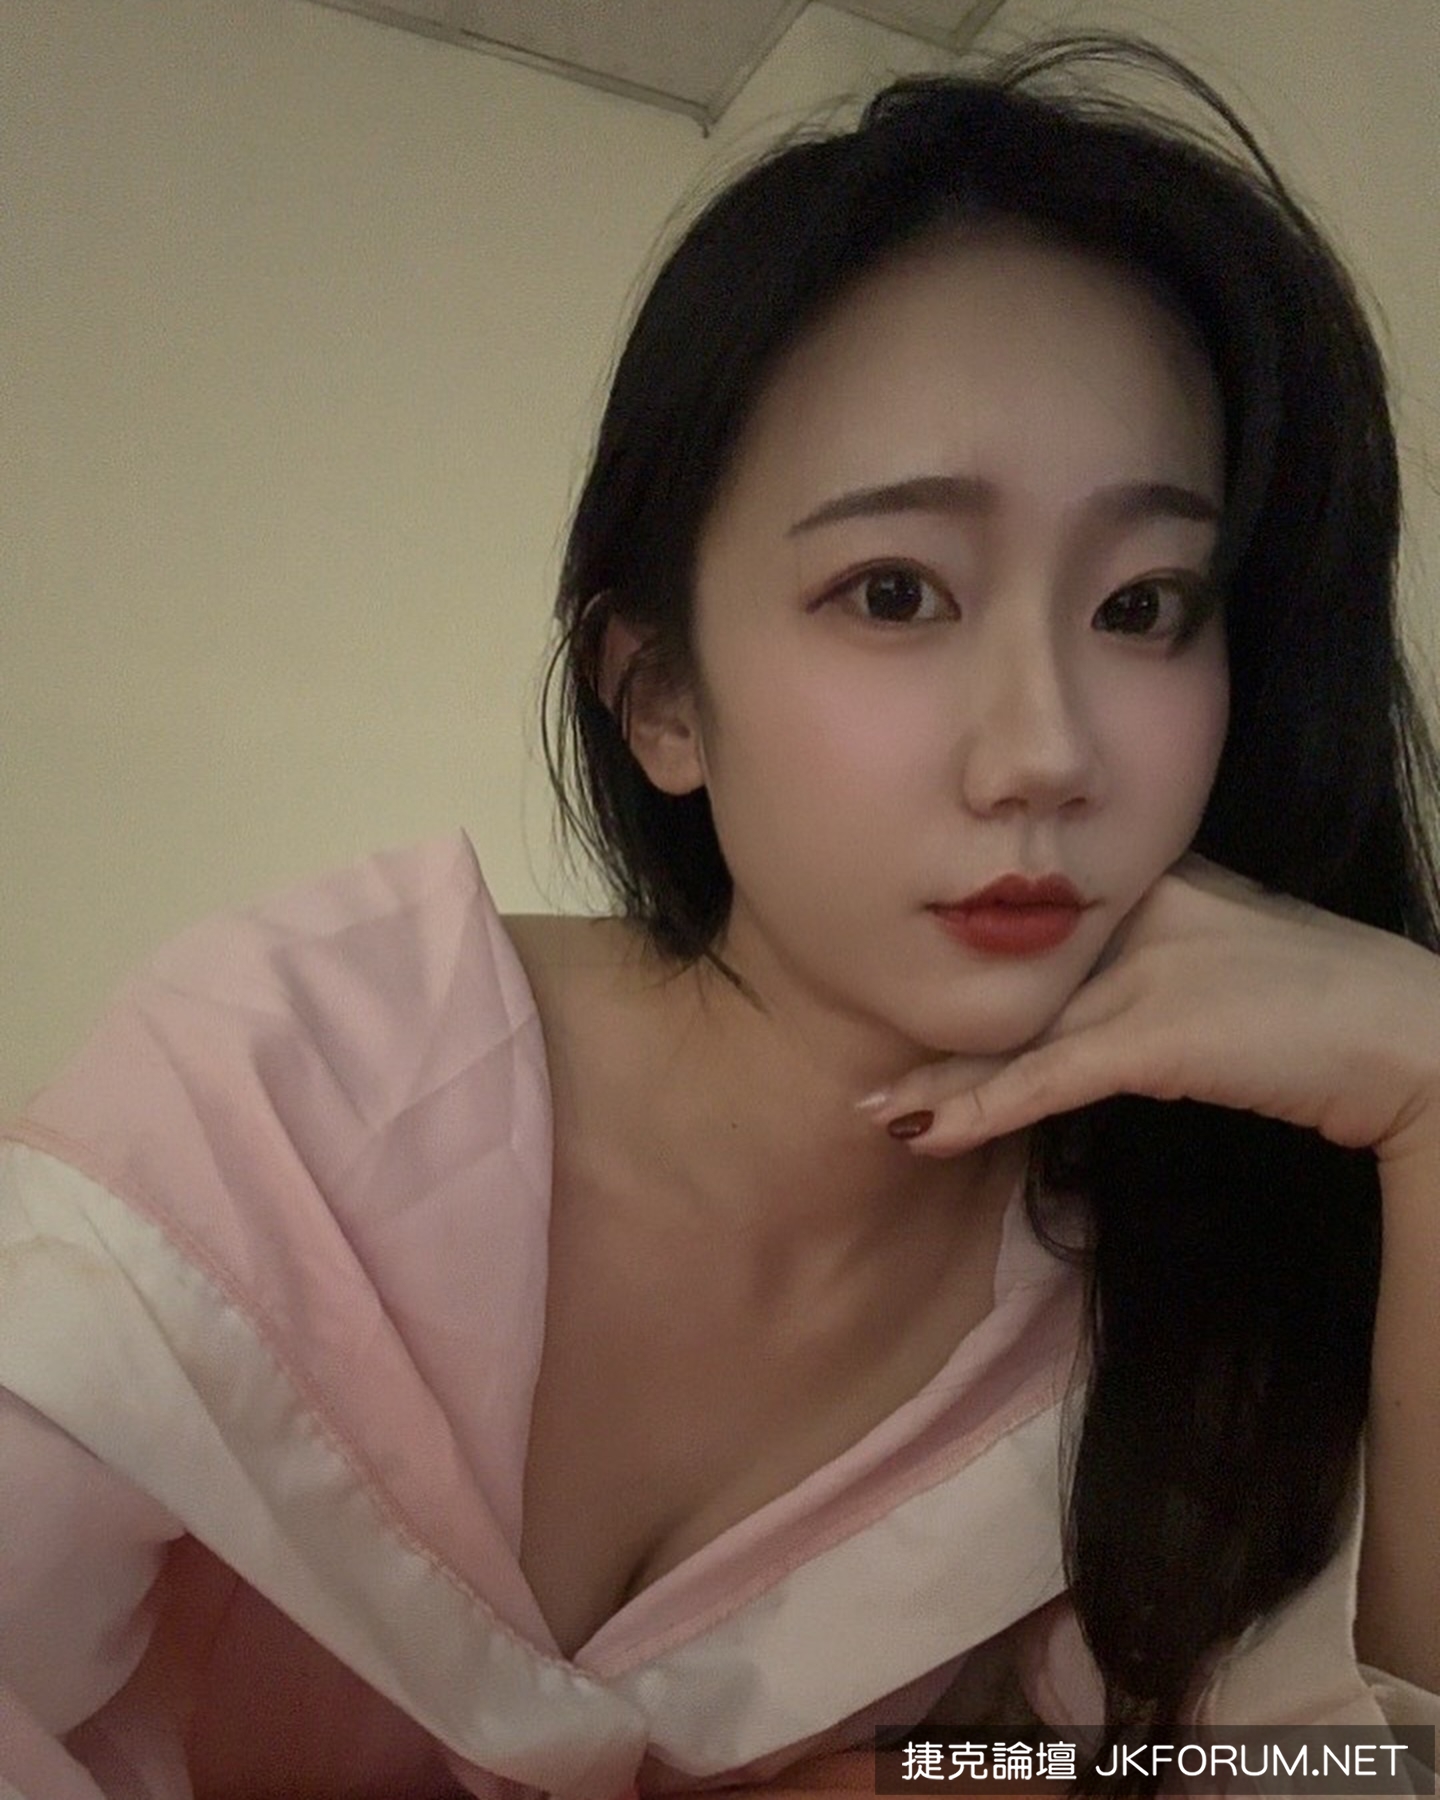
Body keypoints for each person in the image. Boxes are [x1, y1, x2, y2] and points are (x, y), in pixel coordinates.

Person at [2, 33, 1438, 1800]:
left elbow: (1331, 1770)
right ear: (661, 695)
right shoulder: (292, 1097)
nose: (1048, 752)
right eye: (896, 592)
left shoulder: (1155, 1282)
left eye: (1143, 606)